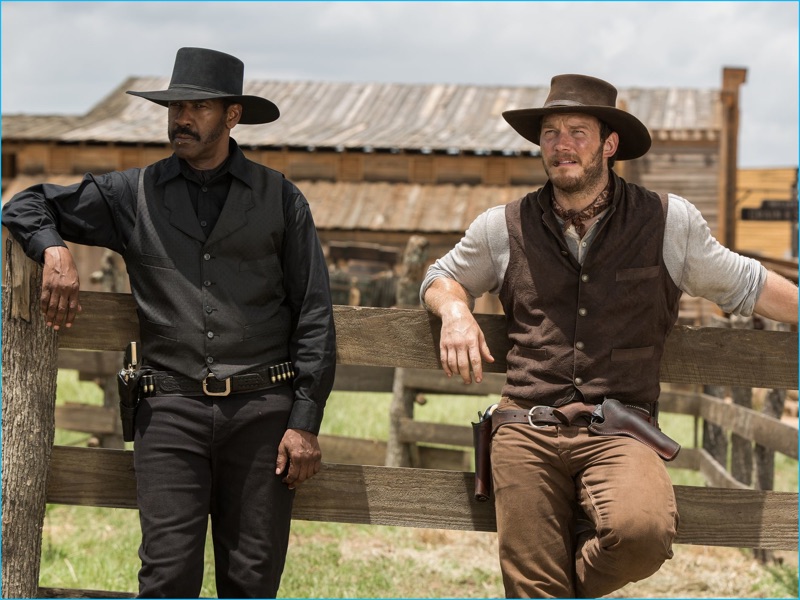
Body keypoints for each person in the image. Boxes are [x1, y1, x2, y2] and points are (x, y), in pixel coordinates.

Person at [420, 74, 798, 598]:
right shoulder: (502, 226)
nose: (561, 144)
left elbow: (746, 283)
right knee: (532, 583)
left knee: (643, 535)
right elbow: (440, 275)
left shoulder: (667, 222)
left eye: (577, 130)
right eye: (550, 132)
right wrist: (455, 311)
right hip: (525, 426)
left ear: (609, 143)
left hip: (621, 428)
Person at [2, 47, 336, 598]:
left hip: (262, 415)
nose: (181, 119)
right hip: (169, 411)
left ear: (232, 116)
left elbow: (315, 315)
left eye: (198, 107)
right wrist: (54, 251)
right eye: (175, 107)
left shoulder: (281, 199)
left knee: (253, 579)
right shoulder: (131, 195)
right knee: (165, 576)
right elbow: (24, 204)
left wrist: (304, 420)